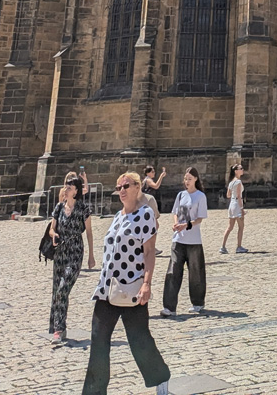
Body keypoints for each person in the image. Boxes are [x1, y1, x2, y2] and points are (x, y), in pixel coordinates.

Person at [81, 170, 170, 395]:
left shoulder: (146, 214)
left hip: (132, 287)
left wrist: (147, 284)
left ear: (137, 188)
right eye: (119, 187)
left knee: (140, 341)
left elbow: (149, 252)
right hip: (108, 288)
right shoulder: (118, 216)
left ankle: (160, 378)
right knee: (98, 341)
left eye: (126, 186)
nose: (121, 190)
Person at [48, 176, 96, 345]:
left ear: (76, 190)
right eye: (66, 185)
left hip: (75, 252)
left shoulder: (83, 208)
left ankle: (59, 329)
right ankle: (59, 328)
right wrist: (53, 235)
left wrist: (91, 256)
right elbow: (51, 229)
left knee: (63, 288)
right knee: (58, 291)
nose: (67, 188)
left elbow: (89, 232)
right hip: (60, 252)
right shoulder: (59, 207)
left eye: (70, 186)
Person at [161, 168, 208, 317]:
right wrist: (176, 224)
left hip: (193, 240)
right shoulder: (181, 195)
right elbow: (175, 212)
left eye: (189, 178)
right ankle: (169, 307)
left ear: (195, 179)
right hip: (178, 239)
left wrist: (186, 225)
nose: (186, 181)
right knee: (173, 272)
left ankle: (197, 303)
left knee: (196, 273)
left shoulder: (200, 196)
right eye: (185, 178)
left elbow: (200, 218)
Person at [220, 163, 247, 254]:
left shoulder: (231, 182)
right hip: (237, 204)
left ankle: (223, 246)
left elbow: (228, 195)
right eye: (241, 168)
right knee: (241, 226)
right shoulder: (238, 182)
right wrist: (242, 208)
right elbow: (239, 196)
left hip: (231, 204)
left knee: (230, 227)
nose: (242, 169)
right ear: (236, 171)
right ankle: (239, 246)